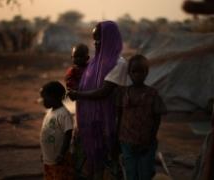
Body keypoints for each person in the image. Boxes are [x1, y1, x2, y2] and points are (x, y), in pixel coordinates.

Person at [68, 20, 124, 179]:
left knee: (107, 166)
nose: (95, 43)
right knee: (90, 166)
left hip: (109, 125)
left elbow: (104, 92)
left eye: (99, 38)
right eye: (94, 39)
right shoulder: (94, 63)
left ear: (111, 38)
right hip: (90, 125)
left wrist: (78, 95)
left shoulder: (118, 64)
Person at [116, 54, 166, 180]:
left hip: (146, 143)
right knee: (131, 173)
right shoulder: (123, 93)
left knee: (145, 174)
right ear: (129, 73)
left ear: (147, 72)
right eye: (134, 71)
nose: (138, 75)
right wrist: (117, 138)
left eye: (141, 71)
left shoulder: (152, 94)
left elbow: (157, 119)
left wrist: (150, 139)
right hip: (126, 142)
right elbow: (119, 116)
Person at [39, 81, 74, 180]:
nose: (42, 100)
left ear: (53, 97)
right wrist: (44, 153)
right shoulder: (50, 112)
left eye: (44, 97)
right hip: (49, 159)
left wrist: (62, 154)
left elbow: (68, 134)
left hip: (59, 159)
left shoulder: (64, 114)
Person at [64, 43, 89, 179]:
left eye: (81, 56)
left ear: (88, 57)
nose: (78, 59)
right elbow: (71, 87)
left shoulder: (91, 68)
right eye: (75, 56)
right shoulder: (72, 72)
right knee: (80, 131)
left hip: (92, 104)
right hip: (82, 105)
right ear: (72, 57)